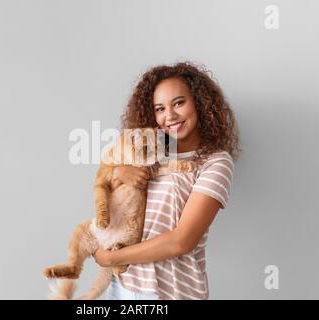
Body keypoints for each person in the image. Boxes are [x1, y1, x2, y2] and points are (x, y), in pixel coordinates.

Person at [93, 61, 241, 300]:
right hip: (122, 287)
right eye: (159, 108)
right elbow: (113, 203)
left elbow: (182, 241)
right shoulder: (147, 153)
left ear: (200, 104)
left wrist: (111, 258)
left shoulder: (215, 162)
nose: (169, 116)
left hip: (173, 292)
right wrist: (116, 174)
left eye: (179, 103)